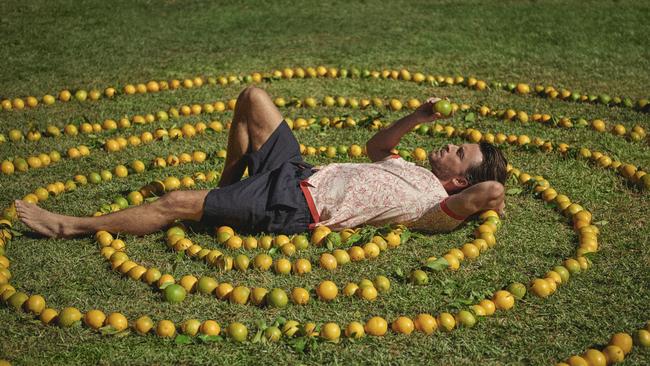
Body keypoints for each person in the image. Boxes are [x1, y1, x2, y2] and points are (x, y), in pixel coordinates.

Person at [14, 86, 507, 239]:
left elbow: (492, 193)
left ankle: (70, 226)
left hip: (296, 205)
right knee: (254, 98)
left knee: (176, 202)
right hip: (300, 173)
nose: (448, 146)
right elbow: (377, 147)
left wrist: (493, 204)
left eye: (458, 152)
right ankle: (225, 190)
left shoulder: (432, 207)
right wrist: (416, 118)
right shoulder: (413, 171)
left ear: (460, 178)